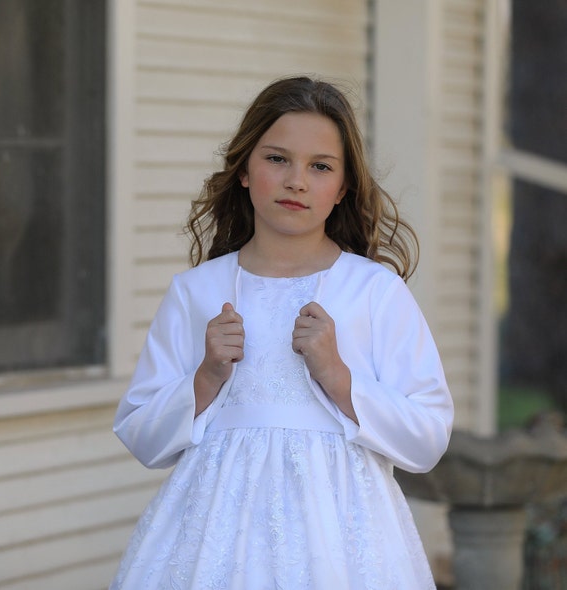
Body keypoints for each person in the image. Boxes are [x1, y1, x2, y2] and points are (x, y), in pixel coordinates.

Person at [110, 75, 454, 590]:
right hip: (214, 545)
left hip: (345, 543)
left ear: (343, 188)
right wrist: (205, 378)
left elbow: (428, 438)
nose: (297, 181)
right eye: (277, 159)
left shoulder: (374, 291)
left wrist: (340, 378)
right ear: (245, 170)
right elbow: (141, 433)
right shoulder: (197, 292)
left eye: (320, 167)